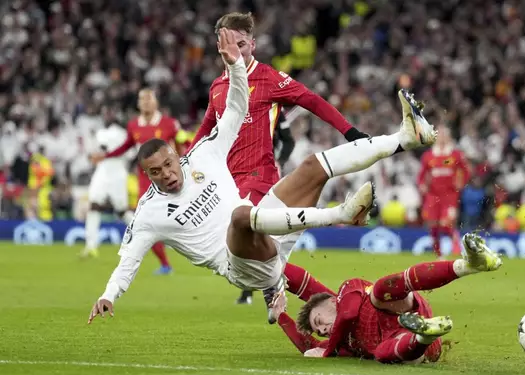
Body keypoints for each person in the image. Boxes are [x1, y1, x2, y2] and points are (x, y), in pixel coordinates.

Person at [87, 28, 437, 325]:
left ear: (177, 156)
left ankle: (404, 138)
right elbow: (129, 260)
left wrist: (236, 66)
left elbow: (237, 108)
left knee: (313, 166)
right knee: (241, 217)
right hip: (240, 265)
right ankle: (341, 216)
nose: (166, 175)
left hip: (268, 228)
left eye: (168, 165)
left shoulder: (202, 156)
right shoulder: (149, 211)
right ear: (146, 174)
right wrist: (108, 295)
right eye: (155, 173)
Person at [189, 12, 369, 305]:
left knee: (244, 241)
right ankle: (307, 295)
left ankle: (280, 283)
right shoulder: (218, 86)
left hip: (259, 176)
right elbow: (206, 129)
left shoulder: (268, 78)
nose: (235, 51)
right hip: (228, 181)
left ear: (253, 45)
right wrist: (187, 164)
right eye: (228, 43)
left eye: (242, 44)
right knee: (253, 252)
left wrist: (349, 131)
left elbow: (311, 100)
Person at [273, 233, 502, 363]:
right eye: (320, 331)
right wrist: (280, 315)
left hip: (402, 308)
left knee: (379, 292)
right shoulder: (341, 344)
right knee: (381, 353)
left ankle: (467, 265)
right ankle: (424, 334)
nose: (321, 331)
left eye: (319, 322)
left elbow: (349, 313)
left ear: (332, 302)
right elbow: (308, 347)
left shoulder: (348, 290)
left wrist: (271, 264)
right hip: (417, 348)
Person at [90, 89, 183, 275]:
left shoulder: (170, 124)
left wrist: (184, 165)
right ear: (139, 104)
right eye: (143, 100)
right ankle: (165, 264)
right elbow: (126, 146)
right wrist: (105, 156)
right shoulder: (134, 126)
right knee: (145, 222)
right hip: (146, 180)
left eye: (149, 99)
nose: (146, 103)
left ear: (156, 103)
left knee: (177, 217)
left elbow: (182, 146)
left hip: (169, 178)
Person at [81, 107, 135, 258]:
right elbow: (131, 155)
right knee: (120, 211)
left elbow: (93, 152)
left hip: (106, 171)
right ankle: (91, 246)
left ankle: (91, 246)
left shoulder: (102, 134)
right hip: (117, 172)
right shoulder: (125, 134)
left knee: (97, 207)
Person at [417, 124, 471, 256]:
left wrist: (461, 183)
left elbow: (466, 171)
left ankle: (457, 250)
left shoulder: (456, 155)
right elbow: (421, 176)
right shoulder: (428, 156)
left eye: (443, 135)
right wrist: (422, 185)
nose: (441, 137)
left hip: (449, 195)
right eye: (438, 135)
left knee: (447, 223)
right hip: (433, 195)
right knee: (433, 226)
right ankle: (438, 254)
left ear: (448, 137)